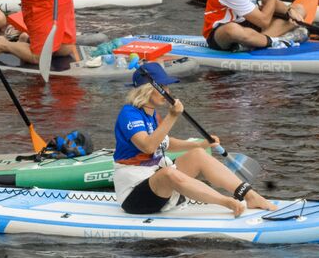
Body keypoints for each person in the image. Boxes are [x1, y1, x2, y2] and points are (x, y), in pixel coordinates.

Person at [113, 63, 276, 218]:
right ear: (147, 90)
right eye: (163, 87)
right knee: (169, 172)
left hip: (156, 180)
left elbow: (165, 142)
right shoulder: (129, 114)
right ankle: (226, 202)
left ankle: (250, 195)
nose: (168, 92)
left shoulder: (153, 114)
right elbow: (148, 146)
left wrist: (200, 144)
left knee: (197, 154)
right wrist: (172, 116)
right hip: (134, 194)